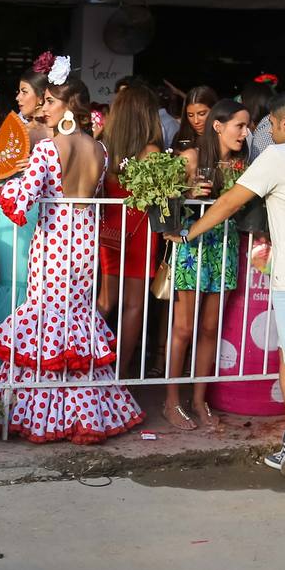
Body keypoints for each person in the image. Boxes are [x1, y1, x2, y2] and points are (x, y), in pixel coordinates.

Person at [170, 92, 285, 475]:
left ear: (282, 123)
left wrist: (188, 233)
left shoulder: (279, 158)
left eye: (267, 127)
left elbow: (231, 201)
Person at [0, 58, 144, 443]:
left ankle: (46, 416)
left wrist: (7, 181)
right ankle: (83, 412)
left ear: (68, 106)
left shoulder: (48, 150)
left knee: (48, 320)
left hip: (55, 241)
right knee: (73, 321)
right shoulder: (101, 151)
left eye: (50, 102)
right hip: (85, 243)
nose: (44, 109)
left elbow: (20, 200)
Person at [164, 99, 250, 430]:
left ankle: (199, 401)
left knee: (210, 329)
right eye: (239, 126)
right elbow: (162, 199)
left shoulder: (241, 166)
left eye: (246, 126)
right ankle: (171, 401)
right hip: (192, 247)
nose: (245, 133)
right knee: (184, 328)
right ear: (219, 126)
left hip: (225, 249)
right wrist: (186, 192)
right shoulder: (191, 158)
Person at [0, 63, 52, 379]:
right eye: (18, 91)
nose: (17, 97)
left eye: (24, 91)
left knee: (39, 290)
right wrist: (2, 172)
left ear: (43, 97)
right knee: (13, 284)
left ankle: (33, 371)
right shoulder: (11, 128)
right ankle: (1, 370)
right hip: (11, 216)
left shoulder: (56, 133)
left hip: (46, 220)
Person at [97, 81, 165, 380]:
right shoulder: (150, 151)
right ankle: (119, 375)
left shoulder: (103, 145)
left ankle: (86, 364)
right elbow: (160, 195)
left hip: (109, 228)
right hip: (138, 231)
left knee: (105, 301)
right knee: (133, 305)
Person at [171, 86, 218, 153]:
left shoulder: (223, 137)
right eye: (190, 115)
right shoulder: (180, 138)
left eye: (201, 114)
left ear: (214, 110)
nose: (196, 121)